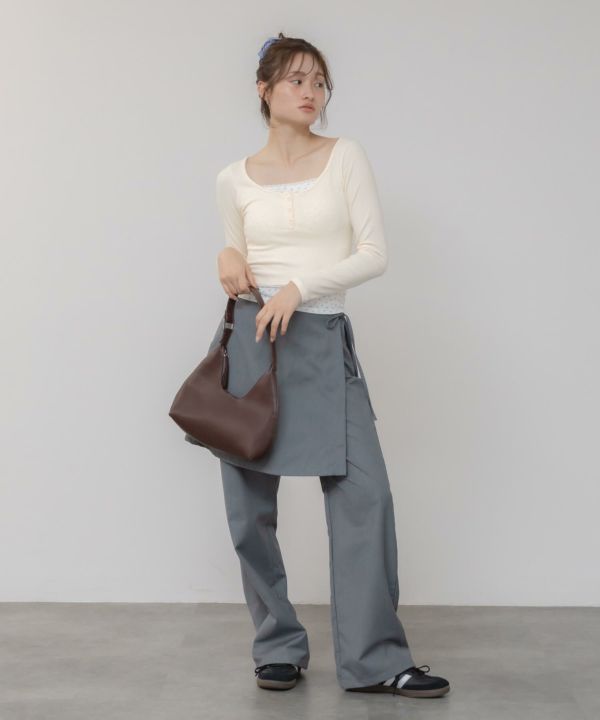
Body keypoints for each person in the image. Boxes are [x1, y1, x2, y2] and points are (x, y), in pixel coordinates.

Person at [198, 32, 450, 698]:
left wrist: (299, 288)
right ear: (264, 90)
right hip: (254, 343)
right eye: (296, 80)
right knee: (248, 508)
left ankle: (374, 660)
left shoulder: (345, 157)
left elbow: (374, 253)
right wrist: (227, 256)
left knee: (366, 496)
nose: (311, 92)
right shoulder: (232, 178)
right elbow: (235, 251)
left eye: (320, 82)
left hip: (320, 336)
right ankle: (276, 645)